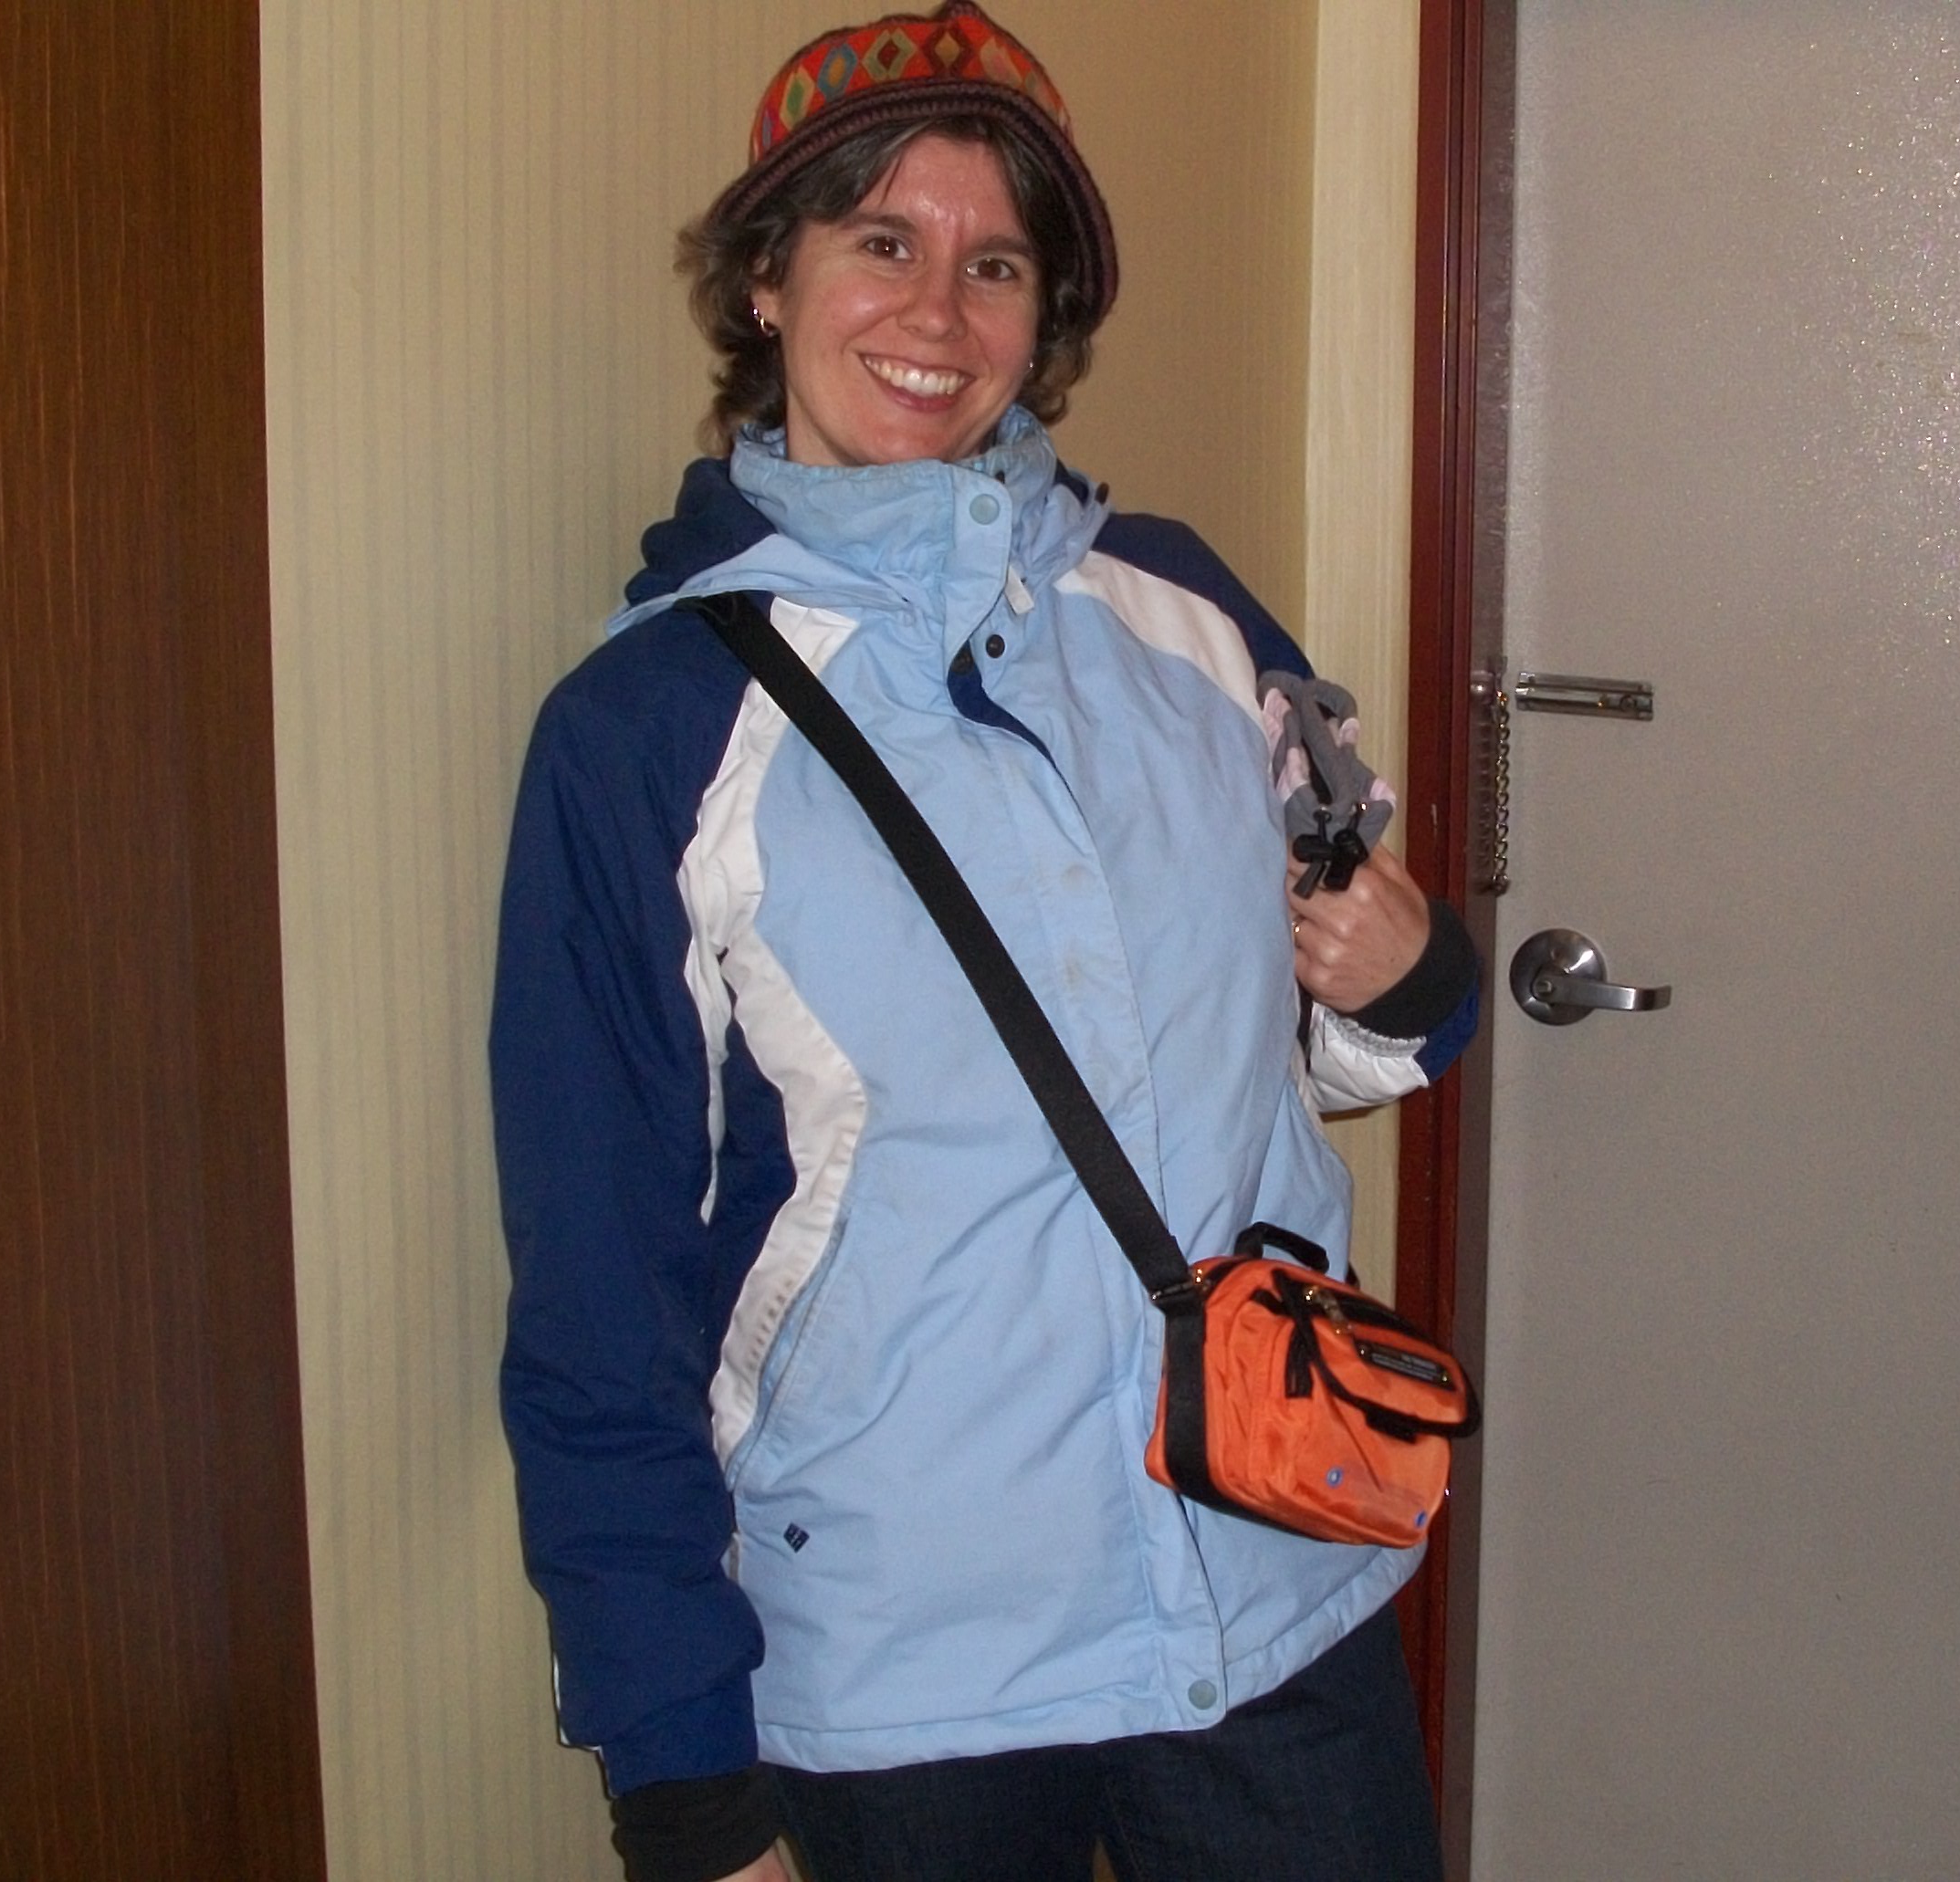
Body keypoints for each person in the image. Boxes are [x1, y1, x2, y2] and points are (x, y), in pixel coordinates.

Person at [488, 7, 1482, 1879]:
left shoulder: (1189, 616)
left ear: (1044, 319)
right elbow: (600, 1297)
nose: (937, 312)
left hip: (1273, 1595)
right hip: (902, 1676)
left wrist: (1413, 978)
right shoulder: (645, 734)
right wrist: (682, 1773)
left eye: (996, 263)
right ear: (768, 278)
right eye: (882, 239)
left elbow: (1336, 1022)